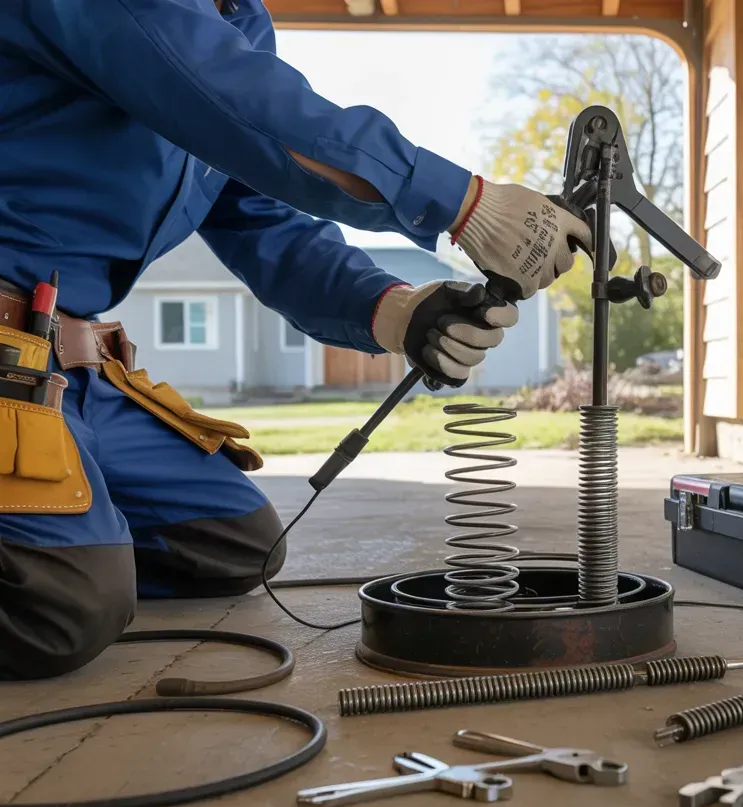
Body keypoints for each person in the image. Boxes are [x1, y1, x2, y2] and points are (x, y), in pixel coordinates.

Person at [0, 0, 593, 680]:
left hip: (60, 366)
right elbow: (239, 105)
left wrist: (398, 311)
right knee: (61, 607)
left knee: (232, 544)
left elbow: (264, 223)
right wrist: (463, 201)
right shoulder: (192, 41)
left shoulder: (240, 25)